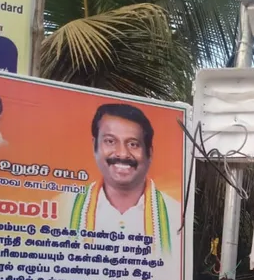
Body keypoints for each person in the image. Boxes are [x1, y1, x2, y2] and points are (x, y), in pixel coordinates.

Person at [65, 103, 181, 253]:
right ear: (95, 146)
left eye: (133, 144)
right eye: (110, 141)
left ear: (150, 153)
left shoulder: (177, 216)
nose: (122, 153)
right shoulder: (64, 208)